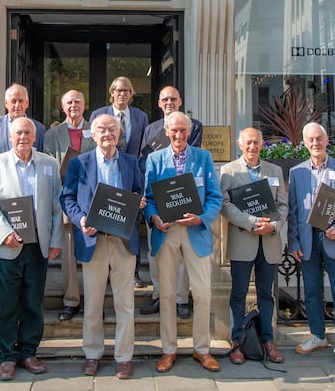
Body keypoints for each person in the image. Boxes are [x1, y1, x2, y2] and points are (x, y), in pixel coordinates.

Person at [61, 114, 145, 379]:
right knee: (93, 304)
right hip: (92, 241)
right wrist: (80, 219)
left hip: (122, 242)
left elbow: (140, 193)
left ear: (119, 135)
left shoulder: (132, 162)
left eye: (112, 129)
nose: (107, 133)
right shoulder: (79, 163)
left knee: (125, 304)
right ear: (92, 135)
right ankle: (92, 354)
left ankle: (123, 357)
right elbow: (67, 197)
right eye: (101, 129)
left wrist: (138, 204)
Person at [0, 117, 63, 381]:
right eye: (18, 133)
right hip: (8, 247)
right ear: (10, 137)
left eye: (28, 132)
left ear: (35, 136)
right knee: (6, 303)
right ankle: (6, 356)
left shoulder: (49, 164)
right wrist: (5, 234)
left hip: (37, 245)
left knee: (32, 301)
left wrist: (55, 241)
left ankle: (28, 352)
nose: (23, 137)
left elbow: (55, 206)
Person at [143, 111, 223, 373]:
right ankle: (169, 350)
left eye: (183, 131)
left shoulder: (203, 157)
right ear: (166, 132)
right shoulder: (154, 160)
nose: (178, 135)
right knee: (166, 294)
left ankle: (202, 349)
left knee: (201, 293)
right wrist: (154, 216)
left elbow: (215, 197)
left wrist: (201, 218)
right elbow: (148, 198)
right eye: (174, 130)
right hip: (166, 232)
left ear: (190, 132)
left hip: (195, 232)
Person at [287, 122, 335, 363]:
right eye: (310, 140)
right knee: (311, 292)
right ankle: (318, 335)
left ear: (327, 140)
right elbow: (293, 211)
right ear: (304, 143)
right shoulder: (296, 172)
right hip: (308, 241)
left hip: (333, 239)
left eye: (319, 139)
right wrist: (294, 242)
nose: (315, 143)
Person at [219, 127, 288, 364]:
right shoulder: (228, 171)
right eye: (248, 142)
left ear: (262, 144)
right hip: (242, 240)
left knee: (266, 294)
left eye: (256, 142)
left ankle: (268, 340)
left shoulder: (275, 170)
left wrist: (275, 226)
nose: (252, 147)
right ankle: (237, 341)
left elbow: (283, 205)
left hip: (268, 242)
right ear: (239, 144)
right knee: (238, 294)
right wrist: (250, 223)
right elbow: (225, 205)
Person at [139, 85, 203, 316]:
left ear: (180, 100)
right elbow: (144, 160)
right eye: (164, 99)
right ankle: (159, 295)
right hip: (157, 197)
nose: (169, 102)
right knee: (155, 250)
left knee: (183, 253)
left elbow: (191, 154)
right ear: (158, 102)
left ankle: (180, 298)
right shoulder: (150, 129)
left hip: (184, 196)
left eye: (173, 99)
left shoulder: (193, 125)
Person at [43, 89, 96, 322]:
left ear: (84, 105)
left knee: (95, 254)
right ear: (62, 107)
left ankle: (94, 301)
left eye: (77, 101)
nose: (73, 105)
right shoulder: (52, 134)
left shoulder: (95, 130)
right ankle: (71, 300)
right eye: (69, 102)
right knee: (68, 257)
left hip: (92, 200)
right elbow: (47, 165)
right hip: (65, 198)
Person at [89, 76, 149, 158]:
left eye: (126, 91)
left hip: (132, 167)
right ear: (112, 92)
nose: (122, 94)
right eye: (119, 90)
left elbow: (144, 147)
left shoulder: (141, 117)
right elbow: (91, 143)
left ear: (130, 94)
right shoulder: (98, 115)